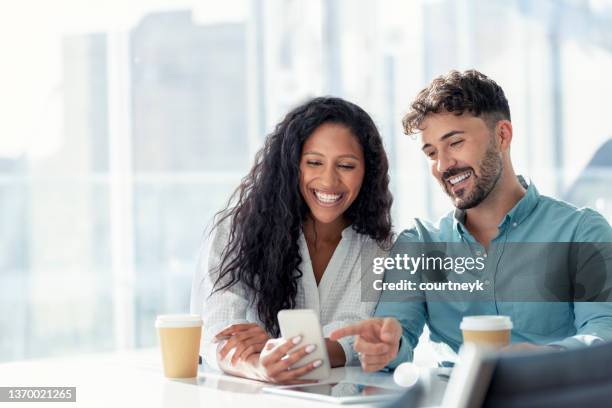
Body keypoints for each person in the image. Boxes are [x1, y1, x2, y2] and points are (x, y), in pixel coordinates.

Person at [331, 69, 612, 372]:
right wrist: (386, 347)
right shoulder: (420, 244)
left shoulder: (581, 232)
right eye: (431, 152)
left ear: (502, 135)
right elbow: (397, 332)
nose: (442, 165)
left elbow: (604, 332)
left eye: (455, 143)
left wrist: (545, 357)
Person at [198, 96, 393, 383]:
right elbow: (220, 326)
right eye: (314, 162)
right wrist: (258, 365)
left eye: (347, 166)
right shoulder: (236, 229)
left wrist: (285, 352)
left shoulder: (377, 246)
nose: (328, 181)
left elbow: (356, 334)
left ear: (368, 172)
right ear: (291, 165)